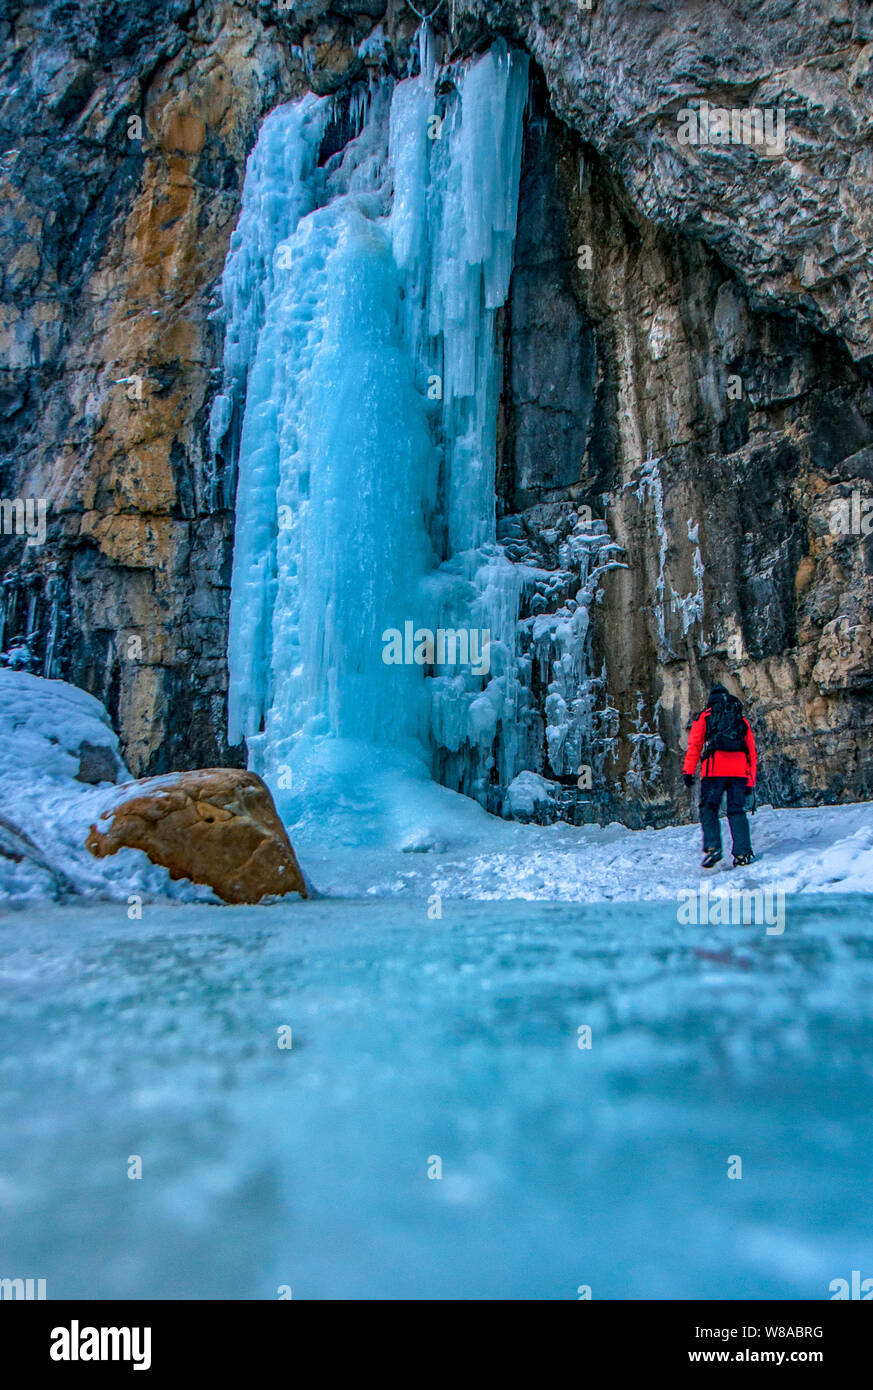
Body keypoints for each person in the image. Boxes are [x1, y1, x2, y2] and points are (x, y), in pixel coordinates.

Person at [682, 683, 757, 869]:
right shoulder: (740, 718)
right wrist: (750, 780)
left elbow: (695, 747)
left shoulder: (706, 717)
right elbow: (751, 752)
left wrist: (688, 771)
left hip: (714, 770)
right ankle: (743, 854)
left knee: (709, 808)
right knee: (736, 811)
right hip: (739, 771)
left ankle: (713, 847)